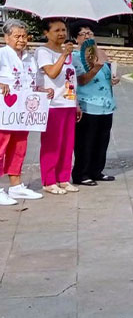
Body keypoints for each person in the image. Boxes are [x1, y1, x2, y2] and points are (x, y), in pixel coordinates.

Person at [0, 20, 46, 205]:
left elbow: (34, 80)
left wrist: (42, 91)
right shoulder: (2, 54)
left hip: (23, 112)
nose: (21, 40)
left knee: (19, 146)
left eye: (24, 36)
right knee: (1, 147)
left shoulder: (29, 57)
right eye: (17, 36)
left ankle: (16, 185)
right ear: (7, 37)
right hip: (4, 111)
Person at [71, 24, 119, 186]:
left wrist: (113, 79)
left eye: (90, 33)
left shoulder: (101, 54)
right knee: (85, 142)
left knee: (102, 141)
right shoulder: (75, 57)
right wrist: (97, 66)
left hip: (105, 105)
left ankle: (97, 171)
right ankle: (81, 174)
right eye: (82, 33)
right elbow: (81, 80)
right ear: (76, 38)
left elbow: (106, 77)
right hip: (87, 105)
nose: (87, 36)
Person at [35, 18, 78, 195]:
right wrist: (63, 55)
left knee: (67, 144)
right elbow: (52, 73)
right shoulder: (42, 51)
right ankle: (49, 180)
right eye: (56, 30)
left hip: (68, 102)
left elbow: (71, 79)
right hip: (52, 105)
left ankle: (63, 178)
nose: (61, 33)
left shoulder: (67, 53)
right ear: (46, 33)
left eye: (63, 30)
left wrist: (77, 104)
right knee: (52, 144)